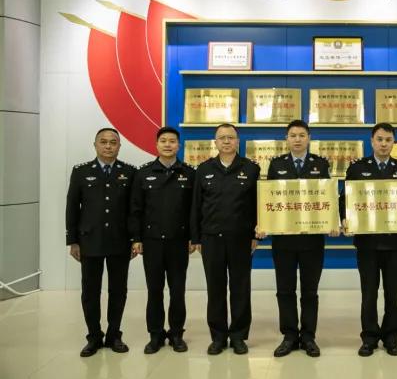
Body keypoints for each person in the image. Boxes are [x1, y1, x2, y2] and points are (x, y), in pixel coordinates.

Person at [261, 120, 333, 358]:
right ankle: (290, 336)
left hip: (312, 239)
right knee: (285, 290)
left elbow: (328, 197)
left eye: (302, 135)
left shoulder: (320, 164)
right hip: (284, 240)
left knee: (310, 291)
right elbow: (268, 198)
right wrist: (263, 223)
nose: (297, 139)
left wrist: (332, 221)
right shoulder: (277, 164)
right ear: (287, 139)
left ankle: (309, 336)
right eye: (293, 135)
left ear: (309, 138)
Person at [340, 123, 397, 357]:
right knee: (369, 293)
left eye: (388, 140)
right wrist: (345, 218)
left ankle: (391, 337)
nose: (383, 144)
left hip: (394, 244)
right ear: (372, 141)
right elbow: (345, 199)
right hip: (367, 243)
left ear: (394, 142)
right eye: (379, 139)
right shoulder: (357, 168)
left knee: (393, 293)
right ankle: (369, 337)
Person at [190, 123, 260, 355]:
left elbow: (257, 206)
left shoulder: (251, 169)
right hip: (211, 239)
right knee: (215, 288)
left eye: (231, 137)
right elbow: (196, 206)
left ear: (238, 141)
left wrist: (255, 235)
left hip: (242, 239)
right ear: (216, 142)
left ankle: (239, 336)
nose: (227, 141)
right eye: (222, 138)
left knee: (241, 288)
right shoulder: (204, 169)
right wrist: (196, 238)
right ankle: (218, 336)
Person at [65, 128, 136, 357]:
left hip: (120, 241)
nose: (108, 146)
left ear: (119, 146)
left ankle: (114, 335)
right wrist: (72, 240)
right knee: (90, 291)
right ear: (95, 145)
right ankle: (94, 336)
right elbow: (72, 207)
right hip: (90, 241)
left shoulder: (129, 172)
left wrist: (135, 239)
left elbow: (134, 210)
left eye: (113, 142)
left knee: (118, 290)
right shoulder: (81, 171)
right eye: (103, 142)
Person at [129, 127, 196, 354]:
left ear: (179, 145)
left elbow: (194, 210)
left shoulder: (189, 173)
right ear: (156, 145)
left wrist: (193, 237)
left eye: (172, 141)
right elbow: (136, 209)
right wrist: (136, 238)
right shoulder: (143, 173)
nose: (168, 145)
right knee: (154, 290)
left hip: (179, 241)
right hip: (152, 242)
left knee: (178, 290)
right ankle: (155, 335)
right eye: (164, 141)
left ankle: (176, 334)